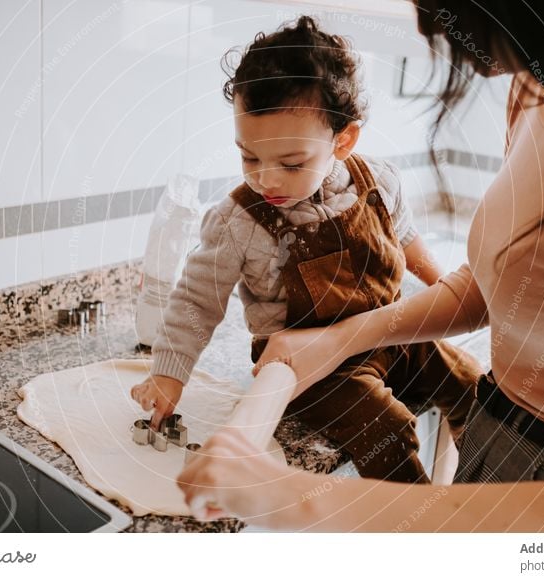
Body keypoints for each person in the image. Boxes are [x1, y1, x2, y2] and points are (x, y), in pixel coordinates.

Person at [177, 0, 544, 532]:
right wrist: (340, 339)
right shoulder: (541, 86)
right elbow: (507, 280)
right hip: (500, 430)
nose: (428, 22)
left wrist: (279, 496)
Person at [130, 16, 483, 484]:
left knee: (471, 384)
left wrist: (442, 286)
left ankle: (476, 498)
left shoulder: (378, 181)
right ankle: (410, 524)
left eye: (291, 162)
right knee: (387, 426)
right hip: (309, 370)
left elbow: (404, 236)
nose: (266, 178)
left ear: (343, 140)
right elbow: (196, 300)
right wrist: (169, 374)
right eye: (249, 156)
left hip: (387, 336)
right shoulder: (239, 221)